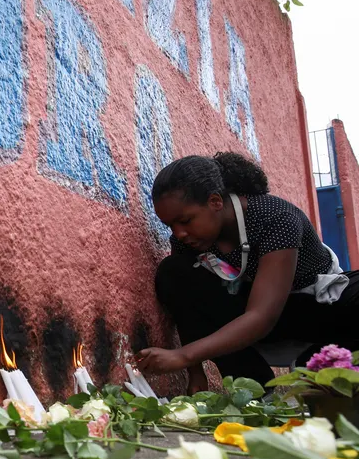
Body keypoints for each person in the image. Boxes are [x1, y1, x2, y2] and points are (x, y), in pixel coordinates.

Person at [136, 152, 359, 391]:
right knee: (173, 272)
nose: (179, 233)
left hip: (315, 310)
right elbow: (186, 309)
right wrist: (195, 373)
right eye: (170, 225)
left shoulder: (277, 218)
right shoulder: (188, 241)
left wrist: (183, 356)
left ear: (215, 202)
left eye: (186, 220)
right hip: (254, 321)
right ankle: (256, 389)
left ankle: (323, 366)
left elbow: (262, 316)